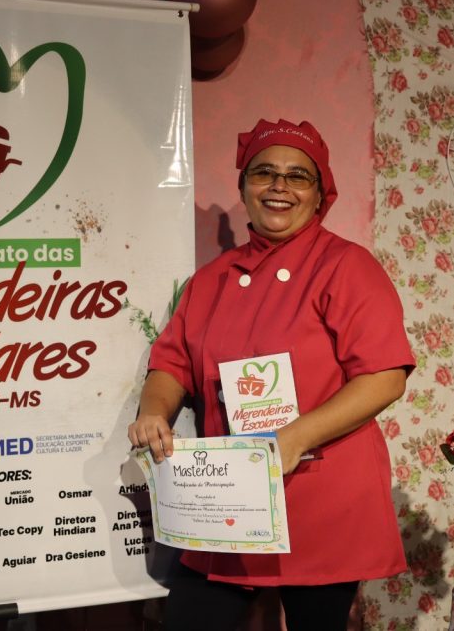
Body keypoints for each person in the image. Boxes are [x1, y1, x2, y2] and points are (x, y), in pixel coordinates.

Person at [127, 118, 415, 631]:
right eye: (264, 172)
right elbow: (171, 363)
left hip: (320, 493)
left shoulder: (346, 266)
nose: (279, 185)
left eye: (297, 176)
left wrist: (293, 437)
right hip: (229, 494)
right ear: (243, 188)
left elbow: (384, 375)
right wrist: (154, 411)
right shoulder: (211, 280)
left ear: (320, 194)